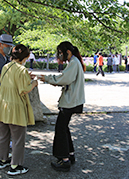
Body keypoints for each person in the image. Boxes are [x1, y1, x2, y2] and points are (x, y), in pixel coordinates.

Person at [38, 41, 86, 172]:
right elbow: (65, 79)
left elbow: (63, 79)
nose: (59, 55)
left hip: (70, 102)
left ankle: (64, 160)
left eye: (60, 52)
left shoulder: (74, 63)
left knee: (60, 129)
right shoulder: (74, 62)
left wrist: (46, 78)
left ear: (68, 52)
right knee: (63, 127)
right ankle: (70, 155)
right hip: (73, 101)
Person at [0, 44, 38, 176]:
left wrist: (26, 79)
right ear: (25, 57)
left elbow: (11, 82)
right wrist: (34, 82)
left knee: (3, 135)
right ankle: (15, 166)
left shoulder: (6, 67)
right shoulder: (22, 70)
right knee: (18, 138)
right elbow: (24, 89)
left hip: (2, 105)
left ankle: (2, 160)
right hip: (15, 107)